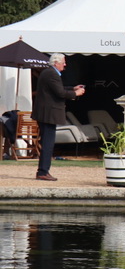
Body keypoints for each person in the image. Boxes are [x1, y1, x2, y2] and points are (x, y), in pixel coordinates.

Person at [31, 53, 85, 181]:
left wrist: (72, 88)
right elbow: (60, 93)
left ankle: (43, 171)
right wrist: (75, 93)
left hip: (46, 113)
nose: (65, 64)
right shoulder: (51, 74)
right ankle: (43, 172)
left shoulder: (49, 73)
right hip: (48, 114)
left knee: (47, 143)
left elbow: (57, 88)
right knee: (48, 144)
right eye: (63, 62)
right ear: (56, 63)